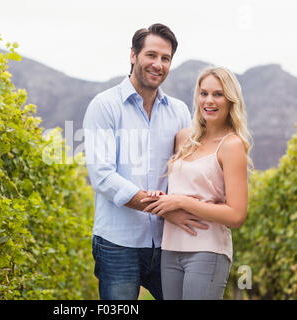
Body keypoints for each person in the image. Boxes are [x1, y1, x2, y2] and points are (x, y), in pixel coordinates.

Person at [83, 23, 210, 300]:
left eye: (165, 58)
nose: (158, 64)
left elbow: (187, 168)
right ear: (133, 55)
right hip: (117, 244)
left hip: (169, 242)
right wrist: (163, 209)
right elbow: (103, 176)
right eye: (151, 55)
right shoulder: (104, 106)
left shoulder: (178, 111)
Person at [141, 66, 253, 299]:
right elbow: (177, 188)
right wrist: (162, 199)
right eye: (204, 94)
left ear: (231, 100)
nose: (209, 101)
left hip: (208, 250)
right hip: (170, 249)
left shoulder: (231, 145)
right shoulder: (184, 138)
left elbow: (236, 215)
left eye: (218, 94)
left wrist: (182, 202)